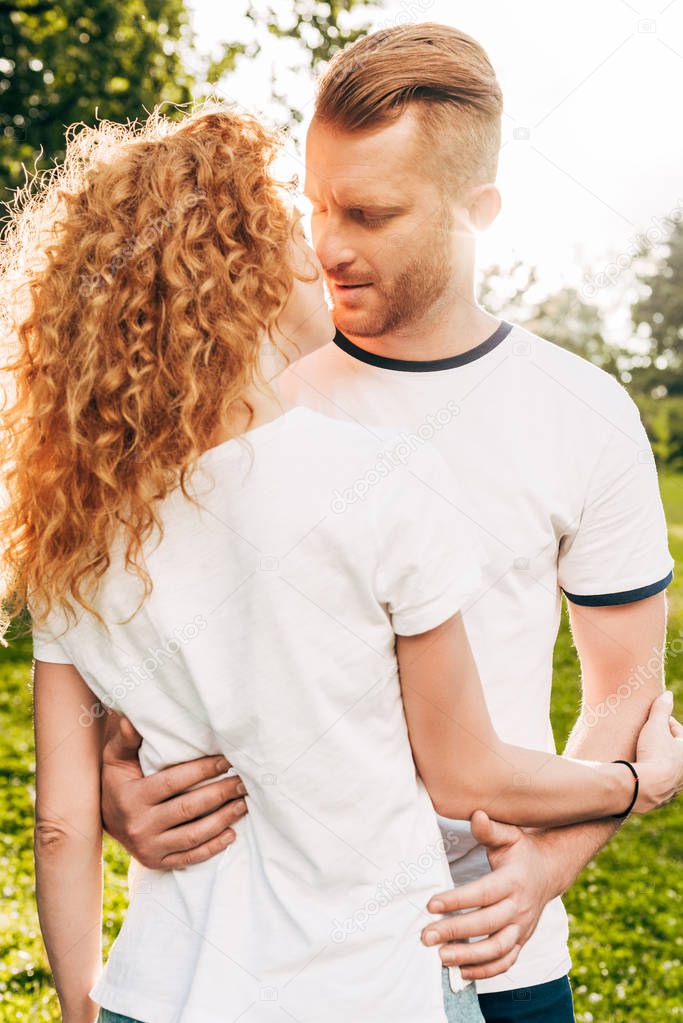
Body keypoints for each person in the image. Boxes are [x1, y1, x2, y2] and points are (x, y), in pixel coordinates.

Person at [2, 100, 681, 1023]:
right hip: (374, 985)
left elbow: (58, 822)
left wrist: (83, 1007)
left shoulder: (78, 526)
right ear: (231, 278)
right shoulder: (380, 481)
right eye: (297, 218)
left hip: (164, 989)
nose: (318, 248)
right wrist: (635, 785)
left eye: (364, 214)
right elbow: (463, 770)